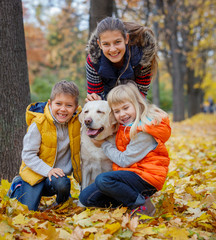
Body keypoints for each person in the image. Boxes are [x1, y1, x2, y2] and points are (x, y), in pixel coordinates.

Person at [79, 82, 171, 216]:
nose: (122, 114)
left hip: (146, 178)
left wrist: (103, 144)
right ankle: (128, 203)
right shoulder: (125, 125)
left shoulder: (144, 130)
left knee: (103, 180)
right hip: (131, 175)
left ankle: (142, 205)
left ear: (137, 104)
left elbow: (124, 160)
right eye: (116, 111)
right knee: (86, 198)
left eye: (125, 108)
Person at [7, 80, 82, 211]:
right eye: (58, 104)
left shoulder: (77, 122)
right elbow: (28, 155)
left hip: (56, 178)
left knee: (63, 183)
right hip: (35, 174)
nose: (63, 109)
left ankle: (60, 203)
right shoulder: (39, 124)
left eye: (69, 105)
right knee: (29, 211)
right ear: (50, 103)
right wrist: (48, 170)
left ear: (75, 108)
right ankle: (17, 186)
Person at [85, 17, 158, 102]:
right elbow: (94, 93)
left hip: (132, 99)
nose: (112, 49)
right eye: (106, 44)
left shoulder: (143, 57)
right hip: (106, 99)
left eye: (117, 42)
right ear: (99, 44)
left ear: (126, 39)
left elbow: (140, 93)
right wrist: (96, 99)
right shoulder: (94, 61)